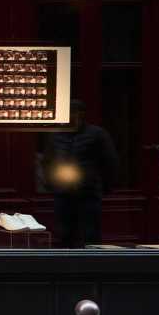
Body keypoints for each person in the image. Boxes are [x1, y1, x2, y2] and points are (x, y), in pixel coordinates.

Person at [41, 99, 119, 246]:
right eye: (68, 113)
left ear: (81, 114)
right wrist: (51, 184)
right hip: (63, 192)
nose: (70, 117)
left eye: (73, 113)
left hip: (88, 191)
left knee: (90, 234)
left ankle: (91, 259)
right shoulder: (56, 134)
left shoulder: (97, 134)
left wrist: (106, 186)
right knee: (65, 233)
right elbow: (47, 161)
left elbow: (110, 161)